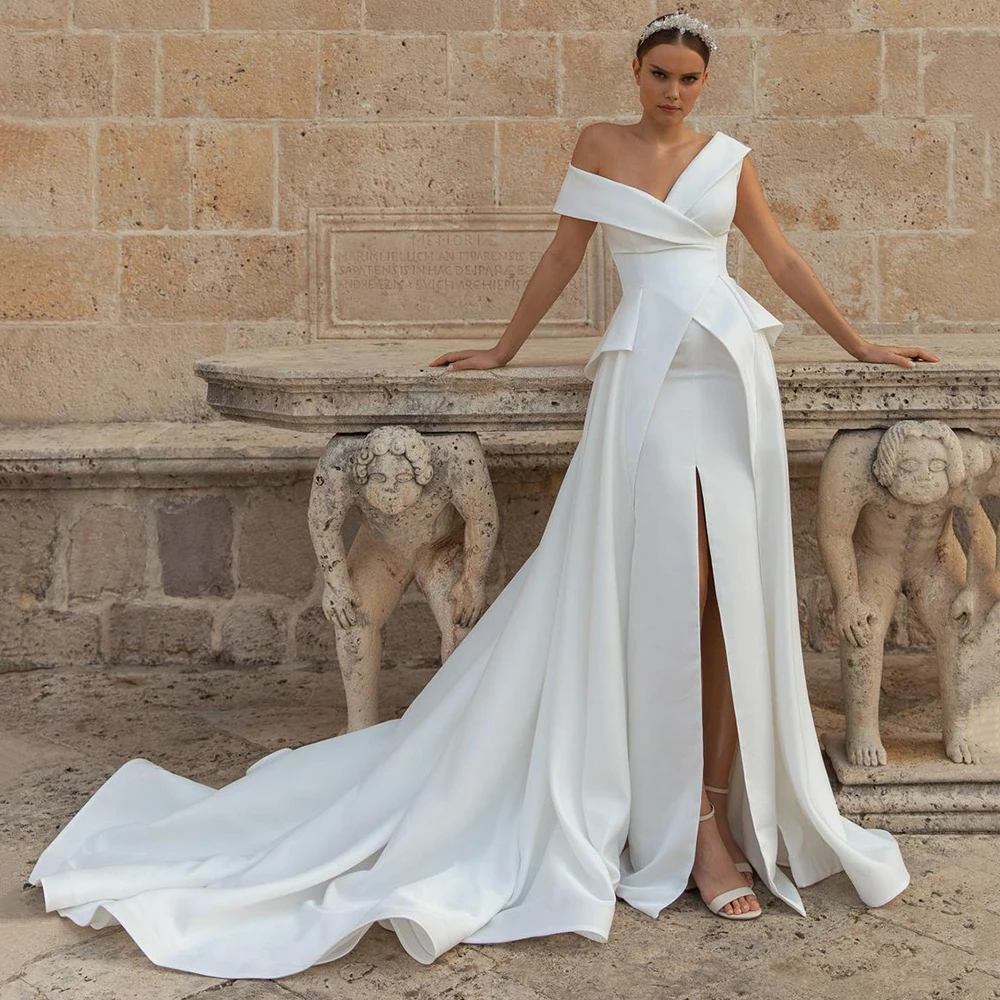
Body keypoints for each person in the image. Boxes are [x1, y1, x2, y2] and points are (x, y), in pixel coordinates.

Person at [28, 11, 933, 979]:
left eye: (689, 79)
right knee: (671, 586)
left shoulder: (729, 157)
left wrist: (860, 344)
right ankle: (688, 827)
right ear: (636, 71)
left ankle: (717, 810)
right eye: (660, 74)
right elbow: (561, 255)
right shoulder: (598, 145)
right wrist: (502, 348)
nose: (673, 91)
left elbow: (782, 257)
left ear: (705, 83)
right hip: (644, 383)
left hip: (728, 375)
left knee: (729, 602)